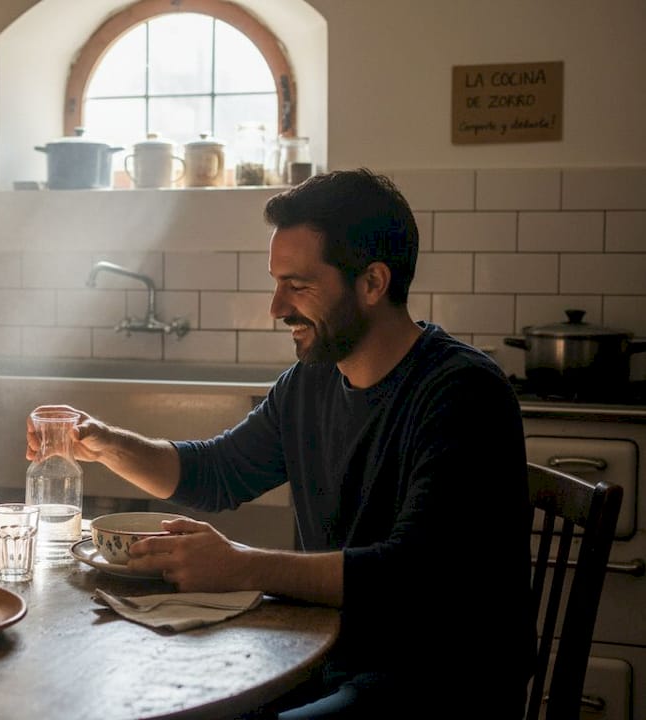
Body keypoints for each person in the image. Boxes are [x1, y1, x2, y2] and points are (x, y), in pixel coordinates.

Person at [27, 169, 533, 718]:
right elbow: (216, 473)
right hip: (329, 658)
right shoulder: (312, 381)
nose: (276, 307)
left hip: (435, 686)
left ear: (372, 283)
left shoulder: (463, 393)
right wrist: (104, 443)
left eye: (299, 284)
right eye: (277, 282)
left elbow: (408, 578)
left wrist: (243, 565)